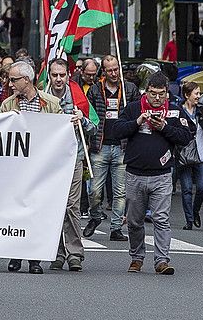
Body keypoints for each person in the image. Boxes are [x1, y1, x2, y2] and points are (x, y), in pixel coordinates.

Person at [109, 72, 192, 274]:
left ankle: (162, 260)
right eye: (153, 94)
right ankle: (136, 258)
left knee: (161, 219)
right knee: (135, 221)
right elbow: (116, 130)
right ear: (146, 92)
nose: (157, 98)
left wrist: (164, 127)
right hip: (134, 174)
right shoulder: (133, 108)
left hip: (162, 175)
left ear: (167, 93)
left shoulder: (173, 111)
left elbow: (186, 136)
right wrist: (137, 122)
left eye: (161, 94)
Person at [0, 60, 63, 274]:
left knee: (37, 212)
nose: (10, 84)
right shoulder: (8, 104)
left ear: (26, 80)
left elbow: (61, 132)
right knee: (16, 211)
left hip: (42, 168)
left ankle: (34, 259)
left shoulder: (51, 103)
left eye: (14, 80)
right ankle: (16, 255)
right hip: (16, 169)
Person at [45, 59, 96, 272]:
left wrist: (82, 119)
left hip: (73, 158)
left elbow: (94, 127)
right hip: (48, 162)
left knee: (71, 206)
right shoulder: (42, 98)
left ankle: (75, 253)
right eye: (55, 75)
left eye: (62, 75)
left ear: (68, 76)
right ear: (49, 75)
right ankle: (56, 253)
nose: (58, 79)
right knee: (53, 206)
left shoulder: (78, 98)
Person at [85, 55, 140, 241]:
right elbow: (88, 116)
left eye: (116, 69)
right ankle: (95, 215)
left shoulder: (129, 89)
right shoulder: (94, 90)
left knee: (120, 192)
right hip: (100, 145)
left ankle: (116, 228)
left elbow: (138, 112)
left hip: (122, 146)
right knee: (94, 190)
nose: (114, 73)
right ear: (104, 71)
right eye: (110, 70)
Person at [178, 82, 203, 230]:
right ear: (186, 95)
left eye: (199, 93)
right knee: (187, 189)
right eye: (196, 93)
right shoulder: (178, 111)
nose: (198, 96)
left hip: (202, 155)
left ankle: (195, 211)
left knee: (202, 187)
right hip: (184, 155)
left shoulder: (202, 112)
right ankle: (189, 220)